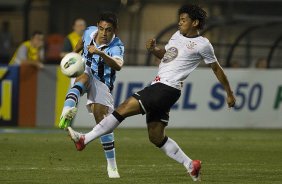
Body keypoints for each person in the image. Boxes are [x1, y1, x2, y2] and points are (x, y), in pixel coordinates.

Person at [67, 4, 236, 181]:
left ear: (194, 23)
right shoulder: (177, 35)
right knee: (156, 137)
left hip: (166, 88)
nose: (179, 23)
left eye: (184, 20)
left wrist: (229, 93)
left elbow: (217, 69)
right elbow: (167, 56)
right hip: (164, 89)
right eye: (179, 19)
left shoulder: (203, 45)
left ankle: (84, 139)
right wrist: (154, 49)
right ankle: (190, 165)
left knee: (123, 108)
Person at [58, 12, 124, 178]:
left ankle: (112, 166)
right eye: (101, 28)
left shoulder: (117, 45)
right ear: (97, 26)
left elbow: (118, 65)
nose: (103, 33)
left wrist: (100, 53)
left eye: (108, 30)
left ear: (114, 30)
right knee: (83, 76)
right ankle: (67, 109)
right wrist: (72, 56)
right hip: (86, 70)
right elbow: (81, 43)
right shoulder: (89, 31)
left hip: (103, 83)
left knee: (102, 121)